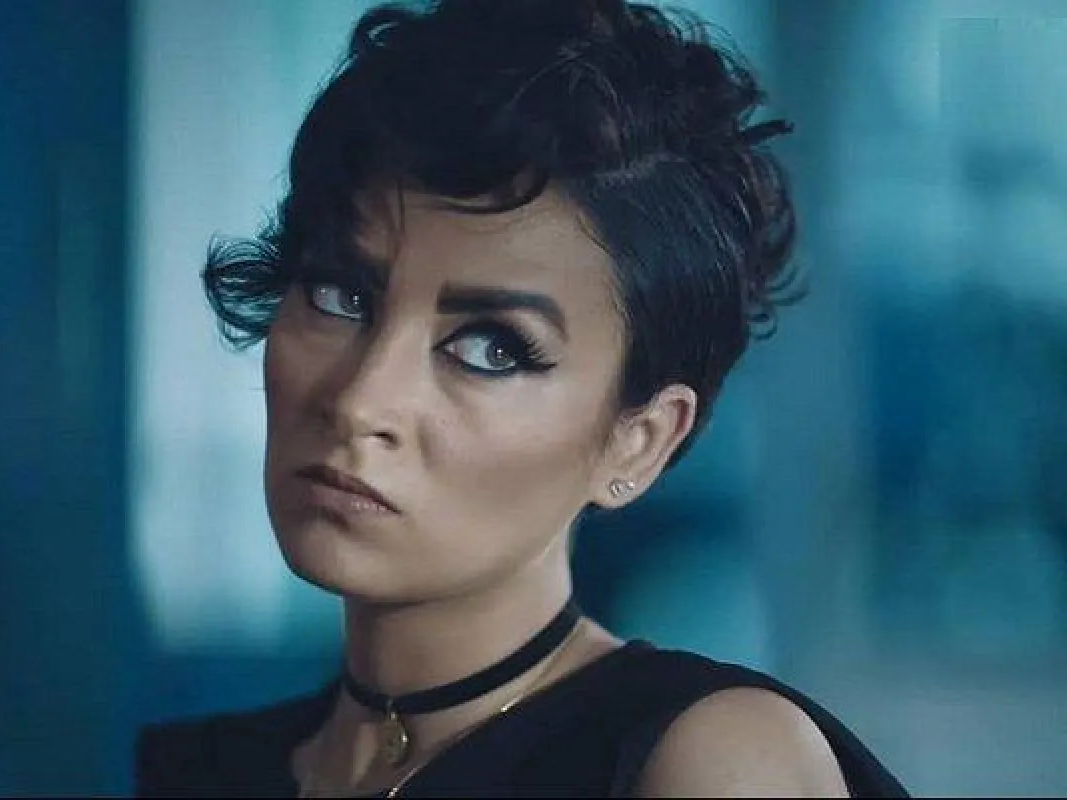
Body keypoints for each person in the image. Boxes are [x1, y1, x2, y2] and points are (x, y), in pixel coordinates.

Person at [136, 0, 908, 796]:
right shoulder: (164, 771)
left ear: (640, 440)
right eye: (342, 296)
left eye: (491, 349)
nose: (362, 402)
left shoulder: (716, 754)